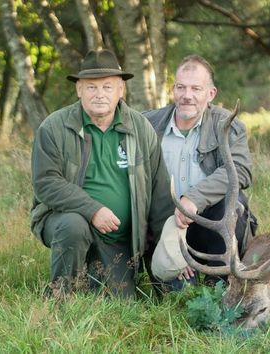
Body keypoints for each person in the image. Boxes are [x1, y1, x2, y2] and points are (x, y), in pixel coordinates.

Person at [30, 49, 174, 298]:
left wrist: (168, 251)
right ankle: (59, 295)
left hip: (120, 240)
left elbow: (159, 193)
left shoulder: (140, 128)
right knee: (73, 225)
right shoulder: (54, 127)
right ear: (79, 90)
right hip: (67, 223)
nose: (99, 95)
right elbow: (46, 183)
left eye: (107, 87)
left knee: (120, 300)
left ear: (121, 90)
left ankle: (89, 275)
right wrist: (92, 209)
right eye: (91, 87)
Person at [143, 55, 257, 289]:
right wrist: (171, 240)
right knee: (179, 295)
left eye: (196, 88)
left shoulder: (227, 124)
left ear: (211, 93)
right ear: (173, 89)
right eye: (181, 87)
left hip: (211, 224)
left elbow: (241, 170)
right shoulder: (148, 125)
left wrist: (193, 199)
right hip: (164, 224)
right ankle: (180, 271)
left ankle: (220, 280)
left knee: (230, 204)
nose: (187, 95)